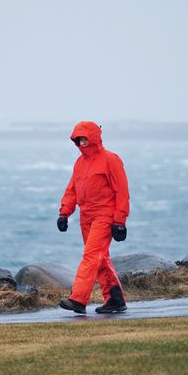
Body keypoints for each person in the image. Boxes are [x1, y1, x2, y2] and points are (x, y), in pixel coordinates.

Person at [56, 121, 130, 314]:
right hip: (85, 216)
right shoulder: (80, 163)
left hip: (104, 215)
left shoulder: (110, 159)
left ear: (94, 137)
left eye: (84, 138)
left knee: (91, 257)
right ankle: (115, 299)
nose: (81, 143)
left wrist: (119, 222)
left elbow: (122, 192)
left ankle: (78, 300)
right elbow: (72, 190)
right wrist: (64, 213)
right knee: (100, 258)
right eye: (78, 139)